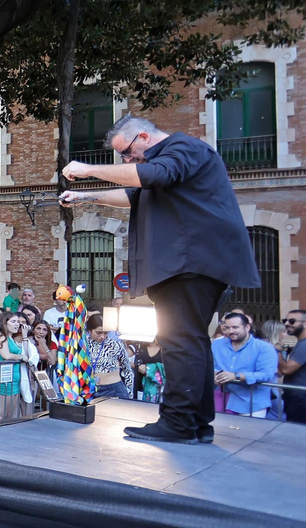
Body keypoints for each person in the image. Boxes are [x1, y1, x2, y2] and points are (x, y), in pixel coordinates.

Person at [61, 114, 261, 444]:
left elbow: (150, 174)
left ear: (142, 137)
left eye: (126, 153)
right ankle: (196, 424)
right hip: (192, 264)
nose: (126, 161)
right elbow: (136, 195)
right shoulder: (168, 168)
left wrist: (88, 168)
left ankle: (178, 423)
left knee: (178, 339)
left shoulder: (183, 149)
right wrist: (87, 196)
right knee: (192, 340)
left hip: (190, 263)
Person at [210, 311, 278, 419]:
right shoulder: (218, 344)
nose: (230, 331)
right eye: (227, 328)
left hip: (251, 403)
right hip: (221, 399)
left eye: (235, 327)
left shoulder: (264, 348)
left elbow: (266, 374)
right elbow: (211, 366)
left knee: (251, 435)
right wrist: (215, 374)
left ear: (247, 327)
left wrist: (236, 376)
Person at [280, 310, 306, 424]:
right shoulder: (301, 343)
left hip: (300, 398)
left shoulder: (304, 344)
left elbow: (286, 369)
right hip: (296, 396)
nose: (286, 324)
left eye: (292, 321)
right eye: (285, 321)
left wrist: (278, 349)